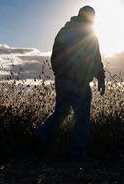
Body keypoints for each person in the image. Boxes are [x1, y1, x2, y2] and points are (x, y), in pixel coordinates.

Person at [33, 5, 105, 161]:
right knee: (82, 117)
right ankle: (76, 153)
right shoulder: (90, 34)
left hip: (62, 80)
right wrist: (101, 78)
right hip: (79, 81)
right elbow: (95, 58)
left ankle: (39, 139)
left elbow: (55, 56)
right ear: (91, 17)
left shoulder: (64, 31)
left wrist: (60, 74)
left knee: (61, 113)